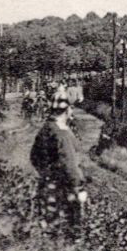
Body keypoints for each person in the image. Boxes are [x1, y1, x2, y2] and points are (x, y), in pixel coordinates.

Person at [29, 94, 87, 228]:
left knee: (48, 226)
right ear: (67, 111)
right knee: (69, 229)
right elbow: (70, 164)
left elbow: (34, 157)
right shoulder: (63, 134)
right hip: (63, 190)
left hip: (46, 186)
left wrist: (45, 174)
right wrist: (77, 185)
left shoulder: (45, 129)